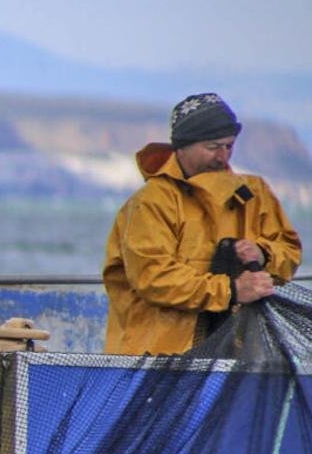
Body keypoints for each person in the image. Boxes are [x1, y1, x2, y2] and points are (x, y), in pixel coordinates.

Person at [103, 93, 301, 355]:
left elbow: (289, 250)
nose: (223, 156)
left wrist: (264, 254)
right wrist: (231, 290)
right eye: (213, 147)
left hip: (238, 351)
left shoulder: (256, 193)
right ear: (182, 147)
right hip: (159, 355)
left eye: (229, 146)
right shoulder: (151, 201)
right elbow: (153, 276)